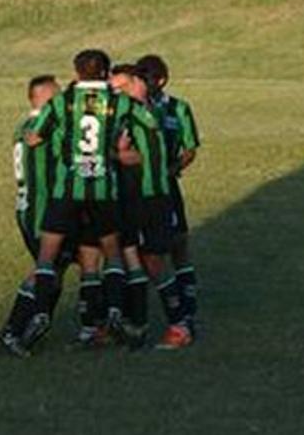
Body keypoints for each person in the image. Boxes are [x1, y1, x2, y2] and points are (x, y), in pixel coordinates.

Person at [18, 49, 160, 353]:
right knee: (112, 255)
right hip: (103, 190)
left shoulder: (62, 102)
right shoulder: (120, 102)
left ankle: (41, 313)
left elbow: (34, 136)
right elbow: (149, 122)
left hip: (66, 192)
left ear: (77, 71)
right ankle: (114, 314)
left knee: (47, 256)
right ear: (106, 72)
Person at [110, 64, 192, 350]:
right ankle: (136, 324)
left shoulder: (140, 112)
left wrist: (117, 153)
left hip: (149, 198)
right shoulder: (136, 110)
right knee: (129, 258)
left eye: (120, 88)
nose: (115, 94)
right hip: (130, 197)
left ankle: (179, 325)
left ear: (136, 83)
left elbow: (136, 157)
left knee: (154, 261)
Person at [0, 75, 65, 357]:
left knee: (54, 268)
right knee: (46, 269)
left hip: (27, 208)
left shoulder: (23, 126)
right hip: (41, 211)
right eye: (58, 95)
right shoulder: (43, 128)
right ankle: (15, 330)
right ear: (46, 98)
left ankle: (33, 326)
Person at [137, 54, 201, 333]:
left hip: (166, 187)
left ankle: (187, 307)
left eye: (147, 78)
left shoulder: (179, 109)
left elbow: (190, 149)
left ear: (161, 80)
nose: (143, 83)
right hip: (136, 187)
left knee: (178, 244)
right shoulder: (134, 107)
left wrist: (172, 168)